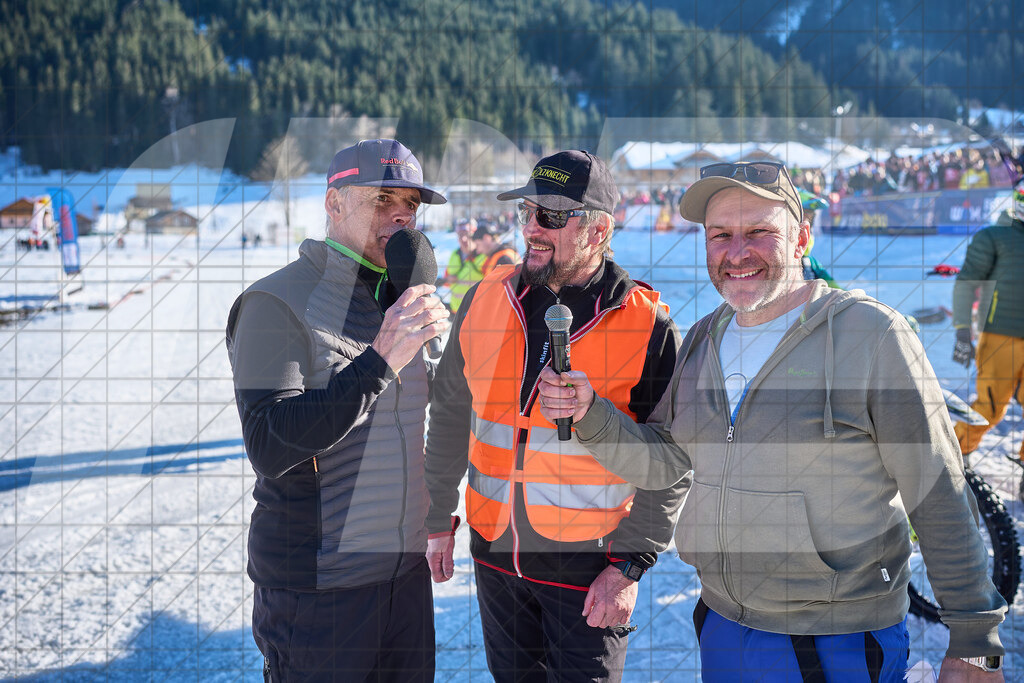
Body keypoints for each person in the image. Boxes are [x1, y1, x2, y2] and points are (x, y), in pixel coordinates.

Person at [538, 160, 1007, 681]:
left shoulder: (872, 336)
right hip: (723, 625)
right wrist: (591, 414)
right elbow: (667, 461)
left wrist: (976, 640)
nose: (737, 252)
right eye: (721, 235)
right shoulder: (703, 339)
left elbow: (939, 492)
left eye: (759, 232)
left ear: (801, 237)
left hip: (836, 640)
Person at [424, 150, 687, 682]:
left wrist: (628, 566)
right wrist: (436, 517)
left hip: (589, 572)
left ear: (598, 230)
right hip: (495, 557)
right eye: (528, 212)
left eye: (552, 215)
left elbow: (672, 462)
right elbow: (450, 414)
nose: (531, 228)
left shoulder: (648, 325)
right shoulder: (483, 300)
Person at [225, 138, 450, 681]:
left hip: (404, 578)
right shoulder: (276, 302)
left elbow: (416, 426)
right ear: (334, 203)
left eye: (411, 204)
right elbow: (270, 445)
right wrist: (379, 361)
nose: (402, 215)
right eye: (382, 199)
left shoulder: (402, 300)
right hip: (318, 591)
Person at [953, 179, 1024, 502]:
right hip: (1001, 335)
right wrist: (962, 330)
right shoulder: (994, 236)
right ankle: (954, 453)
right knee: (991, 408)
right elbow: (967, 282)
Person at [442, 217, 485, 312]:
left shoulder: (484, 256)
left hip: (477, 312)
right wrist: (447, 279)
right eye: (460, 235)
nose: (463, 239)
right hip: (456, 311)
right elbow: (446, 280)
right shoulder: (454, 254)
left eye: (467, 234)